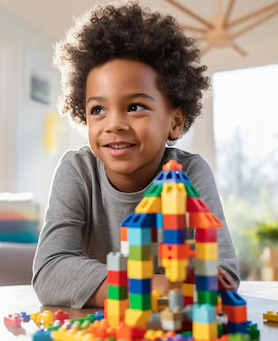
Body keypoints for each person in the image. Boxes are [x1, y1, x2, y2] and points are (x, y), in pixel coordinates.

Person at [32, 1, 240, 309]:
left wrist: (198, 279)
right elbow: (49, 271)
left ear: (175, 122)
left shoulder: (190, 172)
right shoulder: (78, 170)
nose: (114, 123)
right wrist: (146, 286)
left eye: (134, 107)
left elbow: (224, 273)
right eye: (98, 110)